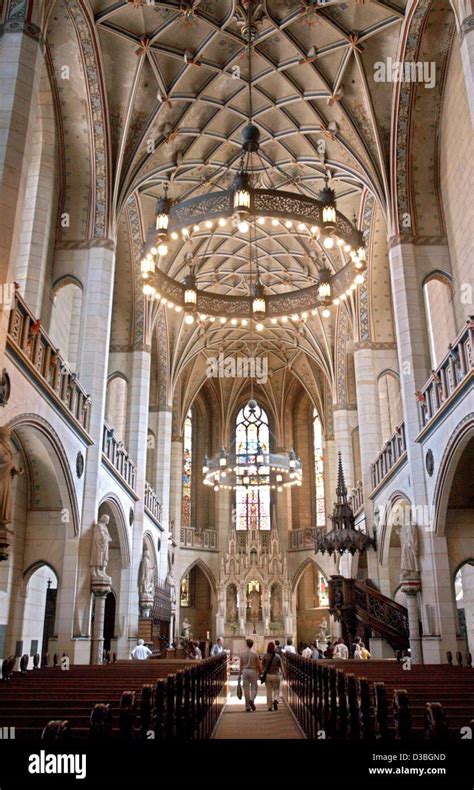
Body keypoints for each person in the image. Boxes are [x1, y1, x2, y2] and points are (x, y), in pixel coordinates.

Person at [238, 638, 261, 712]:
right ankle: (251, 700)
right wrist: (260, 673)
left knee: (246, 689)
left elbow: (241, 665)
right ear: (252, 645)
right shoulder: (255, 653)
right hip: (253, 671)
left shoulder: (242, 653)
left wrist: (239, 674)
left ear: (246, 644)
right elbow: (258, 664)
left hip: (245, 671)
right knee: (254, 687)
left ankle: (247, 707)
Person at [261, 641, 282, 711]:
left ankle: (269, 707)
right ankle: (276, 699)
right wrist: (284, 673)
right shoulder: (277, 656)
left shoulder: (265, 655)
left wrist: (261, 673)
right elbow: (281, 667)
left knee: (269, 691)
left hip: (268, 675)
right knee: (276, 689)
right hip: (276, 675)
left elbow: (262, 666)